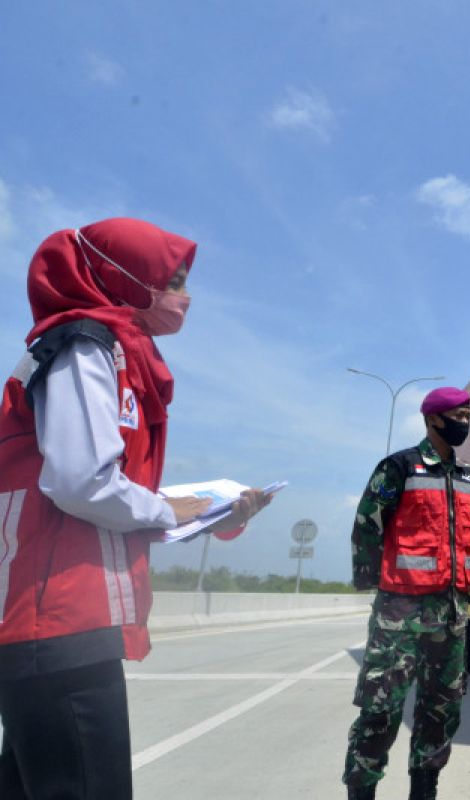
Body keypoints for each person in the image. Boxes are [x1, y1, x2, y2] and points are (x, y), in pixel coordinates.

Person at [0, 218, 271, 799]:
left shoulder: (113, 354)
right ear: (125, 279)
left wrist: (210, 513)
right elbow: (79, 482)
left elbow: (102, 490)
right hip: (59, 620)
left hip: (62, 618)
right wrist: (170, 511)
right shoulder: (83, 347)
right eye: (171, 281)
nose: (185, 296)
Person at [343, 387, 470, 800]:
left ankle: (425, 792)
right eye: (459, 415)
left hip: (452, 615)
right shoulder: (400, 466)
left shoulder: (468, 475)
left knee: (440, 712)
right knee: (381, 712)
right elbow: (368, 522)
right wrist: (371, 580)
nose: (466, 423)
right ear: (434, 418)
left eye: (469, 415)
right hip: (400, 614)